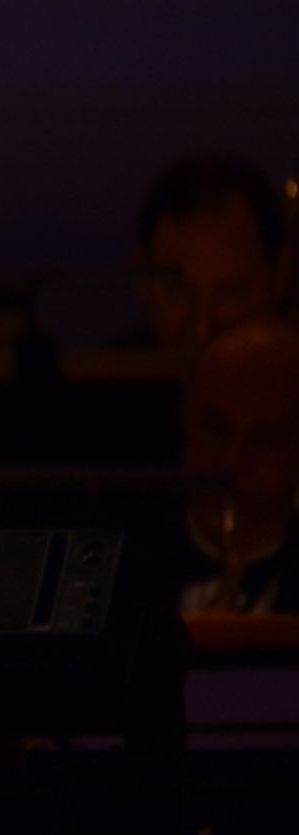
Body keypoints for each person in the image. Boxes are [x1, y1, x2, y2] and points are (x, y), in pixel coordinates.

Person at [177, 317, 299, 613]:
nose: (233, 462)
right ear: (183, 422)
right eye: (215, 429)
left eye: (267, 439)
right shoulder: (123, 556)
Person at [136, 156, 293, 352]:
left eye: (231, 294)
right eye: (179, 293)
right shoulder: (110, 375)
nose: (203, 332)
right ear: (143, 282)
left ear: (280, 276)